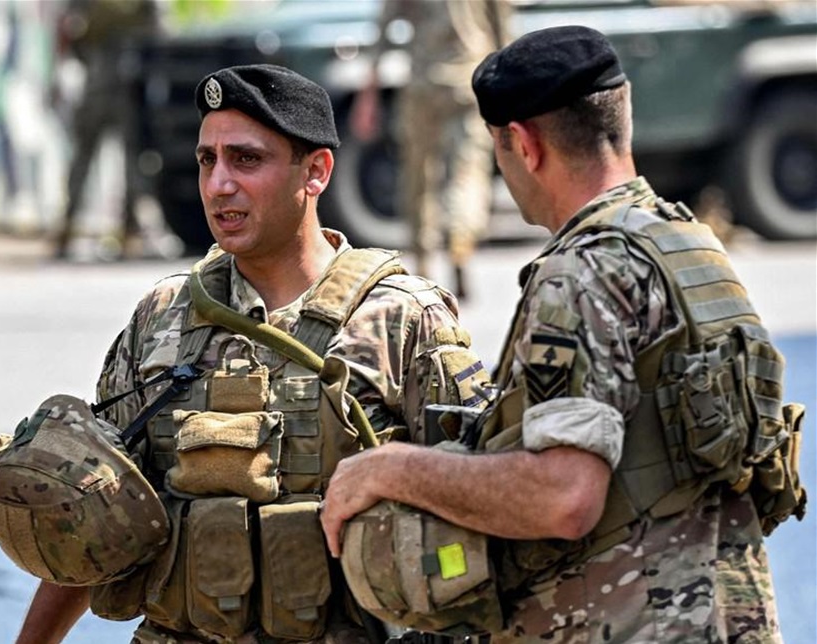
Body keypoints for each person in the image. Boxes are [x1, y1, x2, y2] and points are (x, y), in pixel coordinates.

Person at [321, 26, 803, 642]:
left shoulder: (580, 275)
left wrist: (392, 468)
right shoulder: (693, 247)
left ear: (524, 145)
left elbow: (565, 496)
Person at [11, 64, 489, 643]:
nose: (218, 184)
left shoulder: (401, 318)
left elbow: (479, 507)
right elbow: (94, 514)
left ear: (316, 172)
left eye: (246, 159)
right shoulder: (163, 314)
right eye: (207, 160)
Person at [351, 0, 511, 300]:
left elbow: (385, 26)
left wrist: (368, 92)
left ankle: (423, 259)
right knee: (468, 171)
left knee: (419, 175)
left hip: (423, 82)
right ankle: (460, 243)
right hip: (469, 80)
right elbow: (502, 29)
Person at [52, 0, 158, 259]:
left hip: (109, 82)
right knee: (123, 159)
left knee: (120, 160)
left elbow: (71, 32)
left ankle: (122, 229)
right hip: (116, 82)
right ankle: (124, 231)